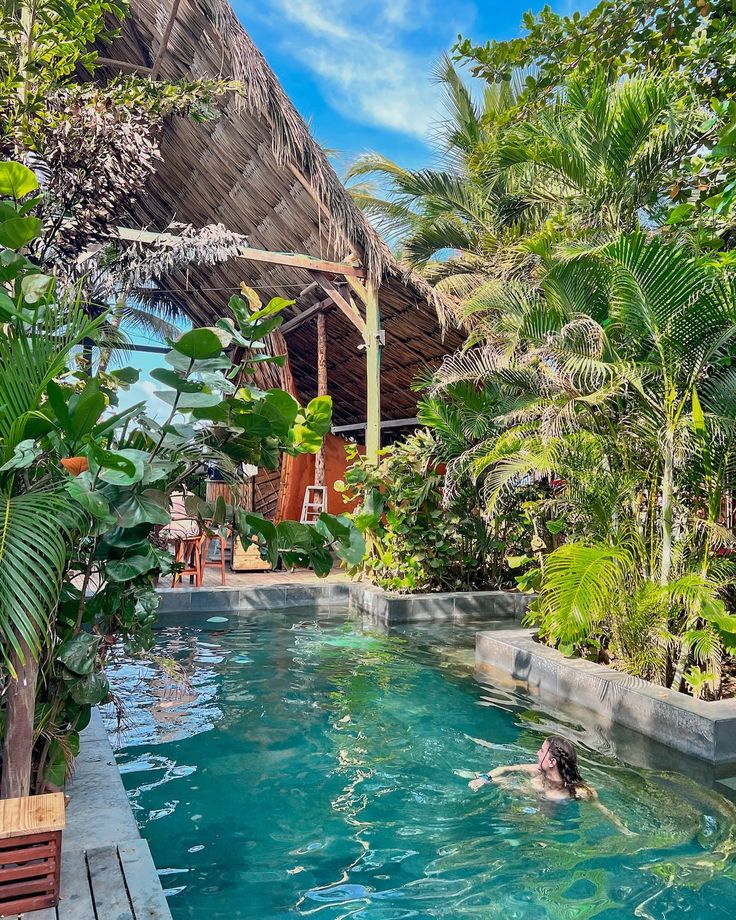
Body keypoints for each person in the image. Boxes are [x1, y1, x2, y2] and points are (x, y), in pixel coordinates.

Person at [469, 735, 634, 836]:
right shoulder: (536, 776)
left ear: (552, 762)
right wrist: (484, 777)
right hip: (535, 816)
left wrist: (624, 830)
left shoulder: (580, 791)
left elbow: (602, 809)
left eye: (541, 751)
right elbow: (505, 769)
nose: (537, 753)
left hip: (558, 826)